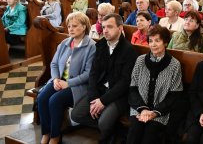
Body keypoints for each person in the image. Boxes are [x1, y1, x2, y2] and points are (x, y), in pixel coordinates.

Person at [71, 14, 138, 143]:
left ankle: (107, 128)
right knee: (76, 114)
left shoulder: (129, 50)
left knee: (104, 122)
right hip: (100, 91)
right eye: (103, 27)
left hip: (118, 96)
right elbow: (93, 74)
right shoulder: (100, 45)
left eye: (109, 27)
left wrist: (102, 101)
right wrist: (93, 98)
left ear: (120, 28)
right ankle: (116, 130)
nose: (105, 30)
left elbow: (124, 83)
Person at [37, 12, 96, 144]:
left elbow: (88, 74)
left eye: (74, 26)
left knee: (54, 100)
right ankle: (46, 132)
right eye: (69, 26)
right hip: (59, 81)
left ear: (84, 27)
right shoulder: (65, 43)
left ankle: (55, 135)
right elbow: (54, 64)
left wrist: (68, 83)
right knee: (42, 98)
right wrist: (56, 79)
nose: (70, 29)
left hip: (77, 86)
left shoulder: (91, 46)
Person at [126, 24, 183, 144]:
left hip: (160, 111)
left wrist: (154, 112)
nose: (153, 44)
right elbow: (132, 89)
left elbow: (175, 95)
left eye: (157, 40)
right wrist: (142, 109)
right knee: (134, 132)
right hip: (139, 108)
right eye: (150, 41)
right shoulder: (140, 60)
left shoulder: (174, 65)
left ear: (165, 43)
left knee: (150, 135)